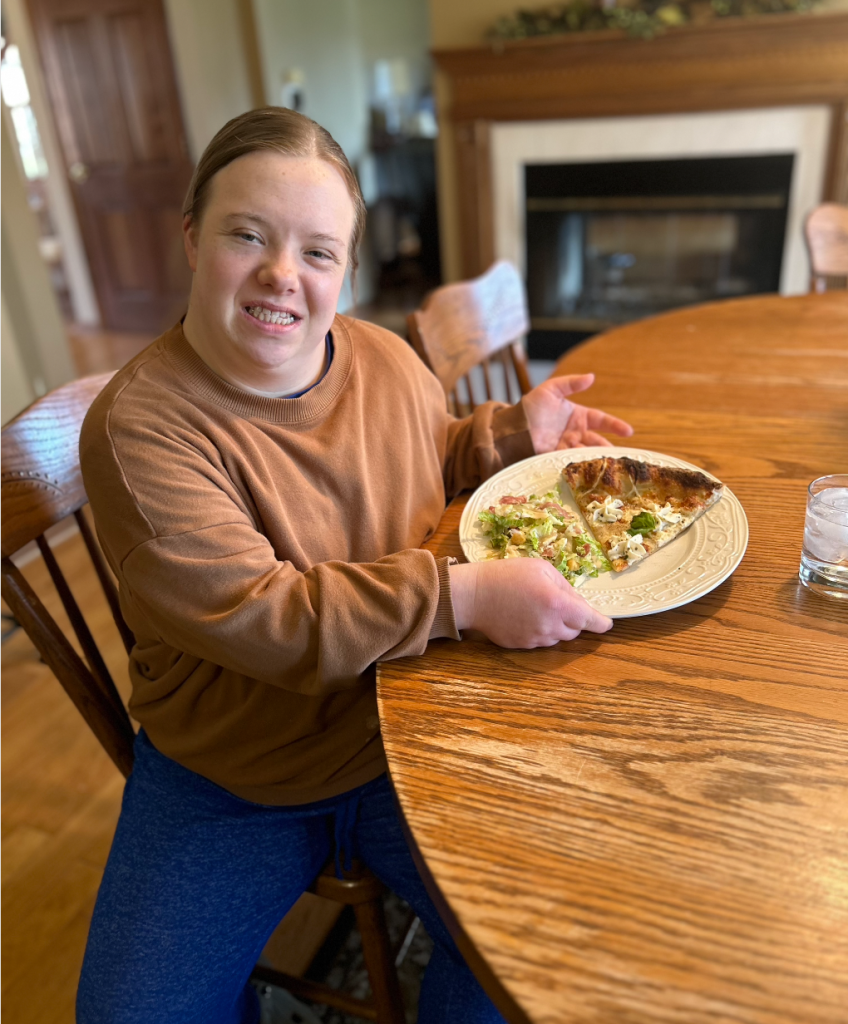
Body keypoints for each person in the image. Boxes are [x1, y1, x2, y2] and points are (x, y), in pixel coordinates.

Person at [76, 107, 633, 1024]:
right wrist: (466, 595)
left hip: (405, 724)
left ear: (348, 269)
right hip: (233, 774)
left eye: (318, 252)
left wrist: (502, 436)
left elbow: (432, 449)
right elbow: (273, 618)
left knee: (535, 954)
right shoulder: (143, 430)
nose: (281, 275)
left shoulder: (380, 356)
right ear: (190, 236)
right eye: (245, 235)